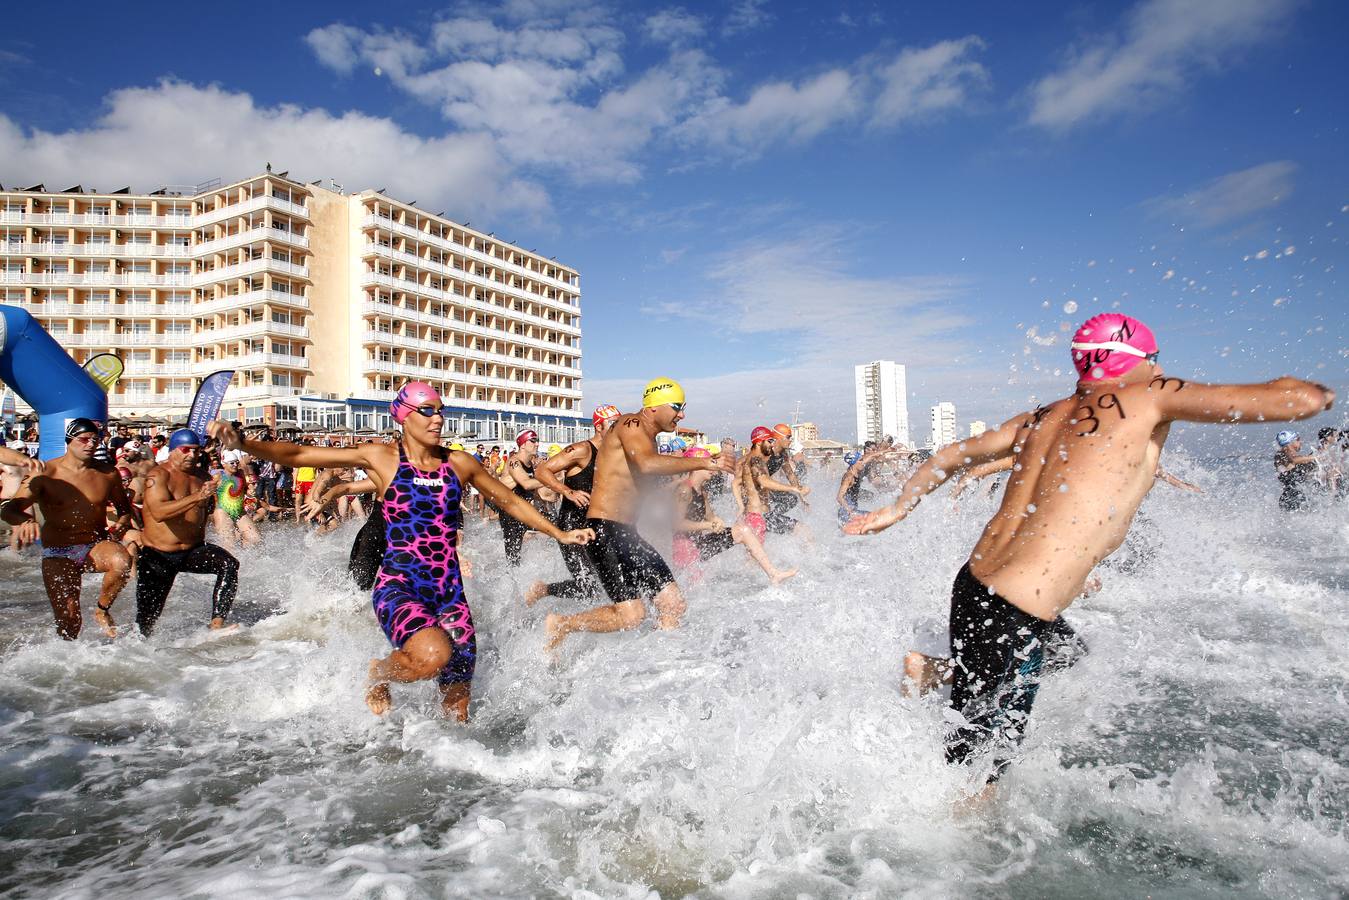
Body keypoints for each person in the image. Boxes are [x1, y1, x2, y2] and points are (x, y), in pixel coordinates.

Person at [845, 313, 1333, 797]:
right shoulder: (1151, 395)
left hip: (974, 586)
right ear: (1138, 361)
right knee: (979, 775)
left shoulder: (1042, 416)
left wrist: (897, 507)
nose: (1160, 370)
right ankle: (946, 847)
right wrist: (1313, 391)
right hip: (1016, 614)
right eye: (1156, 361)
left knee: (1064, 653)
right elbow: (1302, 400)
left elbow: (951, 455)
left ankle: (934, 672)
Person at [209, 381, 592, 720]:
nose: (437, 418)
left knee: (458, 701)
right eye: (426, 411)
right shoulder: (382, 457)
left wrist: (558, 533)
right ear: (403, 416)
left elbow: (509, 501)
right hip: (399, 585)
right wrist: (243, 443)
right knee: (431, 656)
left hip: (449, 592)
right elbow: (299, 456)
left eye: (440, 411)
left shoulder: (459, 463)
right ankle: (378, 673)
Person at [544, 378, 731, 652]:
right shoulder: (630, 423)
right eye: (677, 407)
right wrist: (705, 461)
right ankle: (562, 623)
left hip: (627, 533)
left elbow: (639, 483)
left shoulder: (648, 438)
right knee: (631, 615)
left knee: (672, 604)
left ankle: (665, 665)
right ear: (654, 407)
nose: (682, 414)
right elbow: (646, 463)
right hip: (605, 531)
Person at [1, 419, 134, 639]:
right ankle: (68, 664)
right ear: (69, 441)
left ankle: (101, 610)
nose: (90, 444)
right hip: (58, 551)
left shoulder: (108, 474)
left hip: (94, 545)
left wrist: (122, 523)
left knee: (122, 562)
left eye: (95, 439)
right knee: (69, 621)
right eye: (84, 439)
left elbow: (124, 510)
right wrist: (25, 521)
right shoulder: (46, 472)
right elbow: (8, 510)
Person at [136, 429, 239, 636]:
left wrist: (212, 500)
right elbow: (158, 513)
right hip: (159, 555)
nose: (192, 455)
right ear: (173, 450)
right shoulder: (158, 475)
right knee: (146, 622)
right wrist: (197, 497)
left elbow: (204, 511)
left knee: (229, 564)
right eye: (185, 450)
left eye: (196, 451)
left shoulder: (202, 476)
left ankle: (216, 625)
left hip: (192, 550)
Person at [525, 404, 621, 606]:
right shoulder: (582, 450)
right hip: (570, 524)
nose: (616, 429)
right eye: (612, 424)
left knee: (612, 576)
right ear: (598, 427)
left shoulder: (612, 454)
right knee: (587, 587)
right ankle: (544, 590)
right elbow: (542, 471)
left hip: (595, 524)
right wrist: (568, 492)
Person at [672, 447, 797, 584]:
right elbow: (677, 523)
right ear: (695, 465)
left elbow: (710, 517)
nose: (713, 468)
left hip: (699, 543)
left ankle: (773, 574)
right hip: (685, 550)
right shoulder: (684, 490)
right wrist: (708, 525)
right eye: (709, 463)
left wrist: (716, 521)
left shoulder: (702, 490)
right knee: (694, 589)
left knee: (743, 530)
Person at [734, 426, 811, 539]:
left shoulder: (783, 454)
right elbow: (755, 475)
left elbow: (790, 474)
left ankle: (772, 517)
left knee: (791, 499)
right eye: (789, 437)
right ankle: (769, 519)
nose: (791, 440)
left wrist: (802, 496)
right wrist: (743, 497)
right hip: (757, 503)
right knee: (802, 531)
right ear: (779, 437)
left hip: (764, 496)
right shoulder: (764, 453)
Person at [498, 429, 546, 566]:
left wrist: (542, 504)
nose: (537, 444)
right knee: (513, 554)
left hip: (521, 510)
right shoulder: (515, 462)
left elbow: (532, 490)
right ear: (523, 444)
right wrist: (554, 482)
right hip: (509, 511)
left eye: (537, 441)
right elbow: (526, 484)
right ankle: (511, 579)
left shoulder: (529, 464)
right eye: (533, 440)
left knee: (543, 536)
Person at [212, 449, 262, 548]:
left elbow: (246, 488)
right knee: (229, 545)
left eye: (236, 462)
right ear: (224, 464)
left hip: (239, 511)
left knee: (255, 539)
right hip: (222, 511)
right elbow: (207, 492)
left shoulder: (241, 474)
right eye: (232, 463)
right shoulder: (218, 476)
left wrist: (250, 491)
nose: (235, 464)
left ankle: (245, 558)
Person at [1274, 431, 1318, 511]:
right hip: (1291, 499)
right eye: (1297, 440)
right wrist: (1314, 457)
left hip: (1300, 497)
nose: (1301, 442)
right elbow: (1293, 460)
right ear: (1289, 442)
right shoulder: (1280, 456)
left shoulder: (1298, 459)